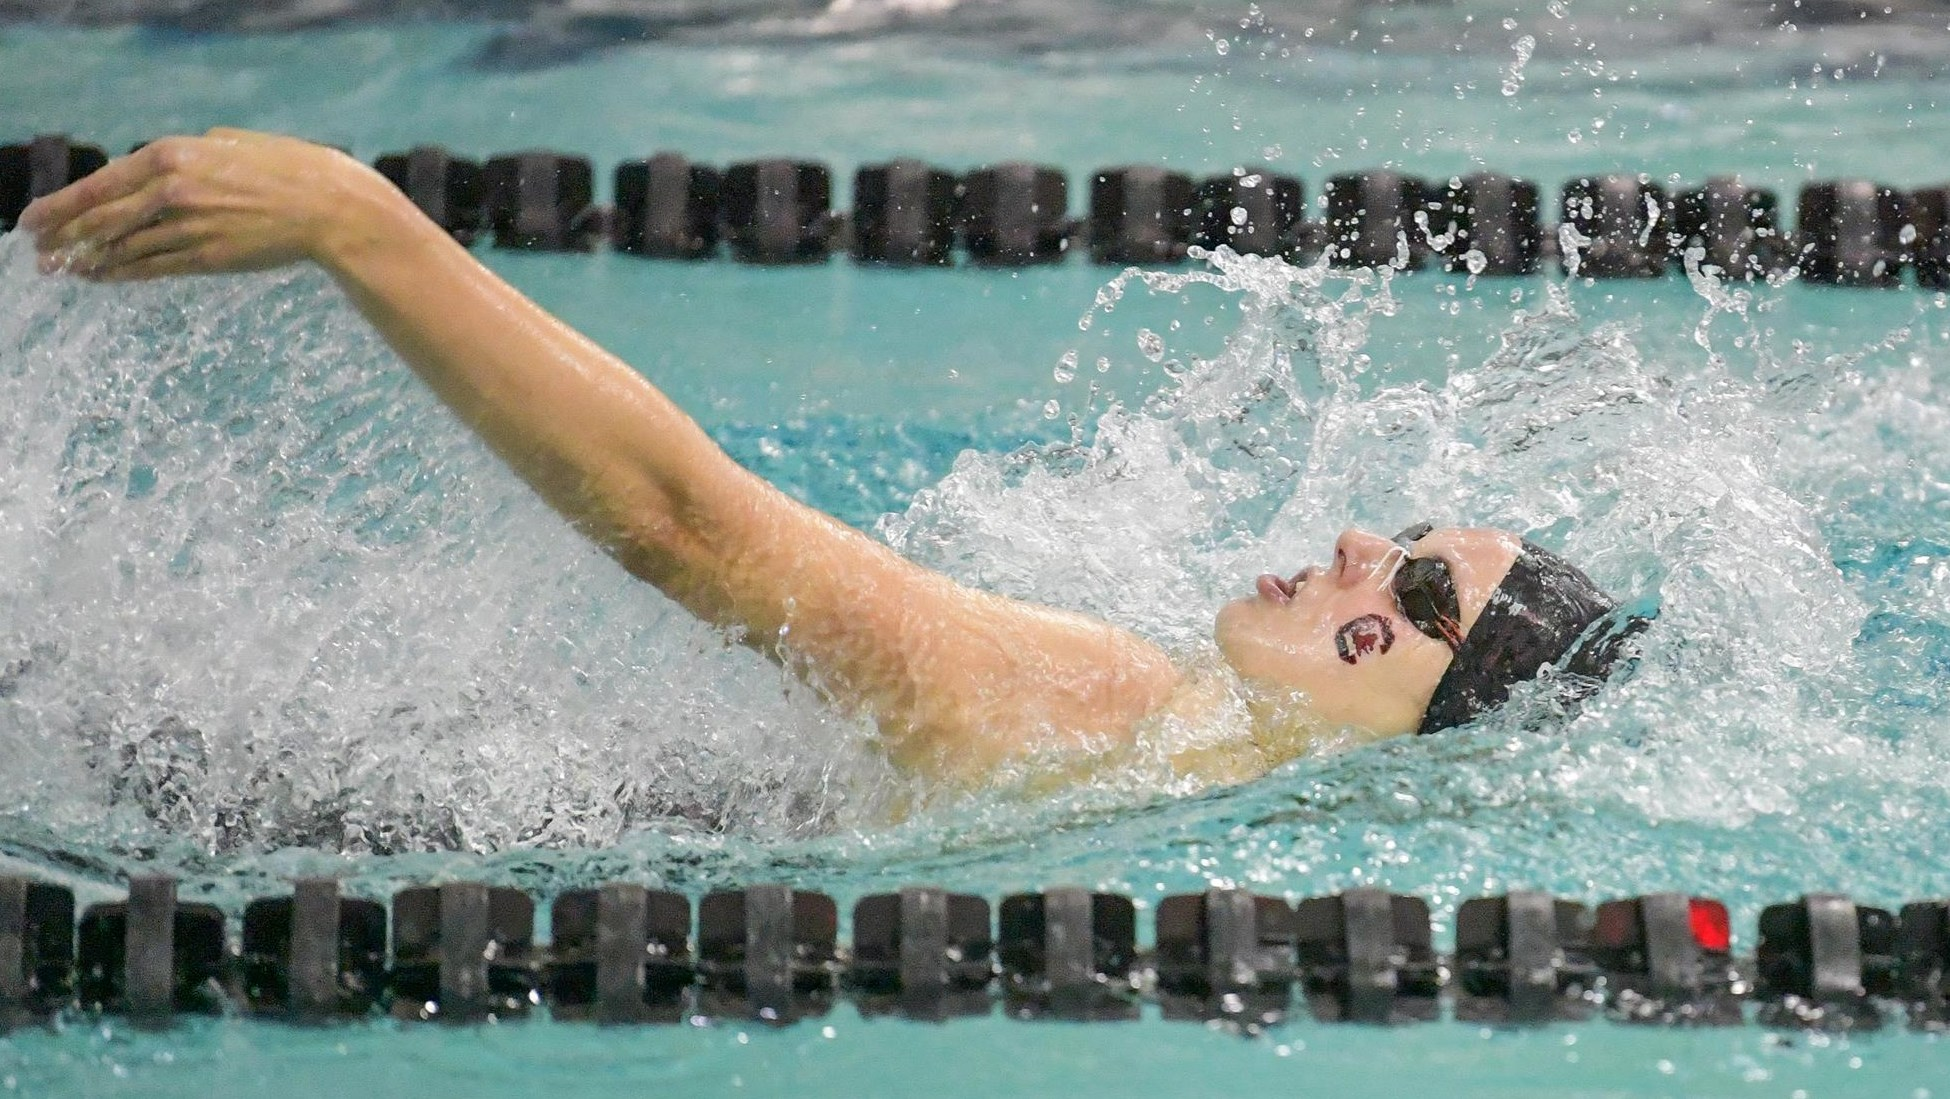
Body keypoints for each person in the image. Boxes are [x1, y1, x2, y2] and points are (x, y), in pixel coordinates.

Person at [18, 129, 1642, 788]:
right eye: (1406, 533)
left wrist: (353, 222)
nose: (1361, 540)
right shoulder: (1178, 761)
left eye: (1417, 586)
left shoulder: (1114, 711)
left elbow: (681, 526)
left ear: (1423, 711)